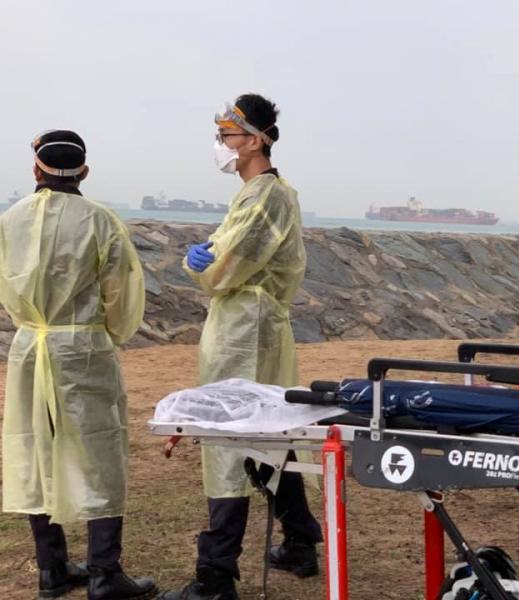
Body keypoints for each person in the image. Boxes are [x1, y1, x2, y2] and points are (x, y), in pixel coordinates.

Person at [163, 95, 321, 600]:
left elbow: (225, 265)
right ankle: (299, 542)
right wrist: (204, 263)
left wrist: (200, 268)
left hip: (244, 327)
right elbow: (217, 256)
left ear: (255, 140)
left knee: (229, 439)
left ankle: (216, 574)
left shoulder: (268, 196)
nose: (221, 146)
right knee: (268, 439)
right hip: (243, 322)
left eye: (227, 136)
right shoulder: (254, 195)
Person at [0, 130, 156, 599]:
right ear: (84, 172)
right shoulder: (100, 221)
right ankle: (105, 572)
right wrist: (106, 334)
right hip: (84, 347)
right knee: (100, 454)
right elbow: (122, 292)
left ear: (35, 170)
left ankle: (52, 568)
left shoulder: (11, 220)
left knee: (38, 449)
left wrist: (33, 322)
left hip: (32, 346)